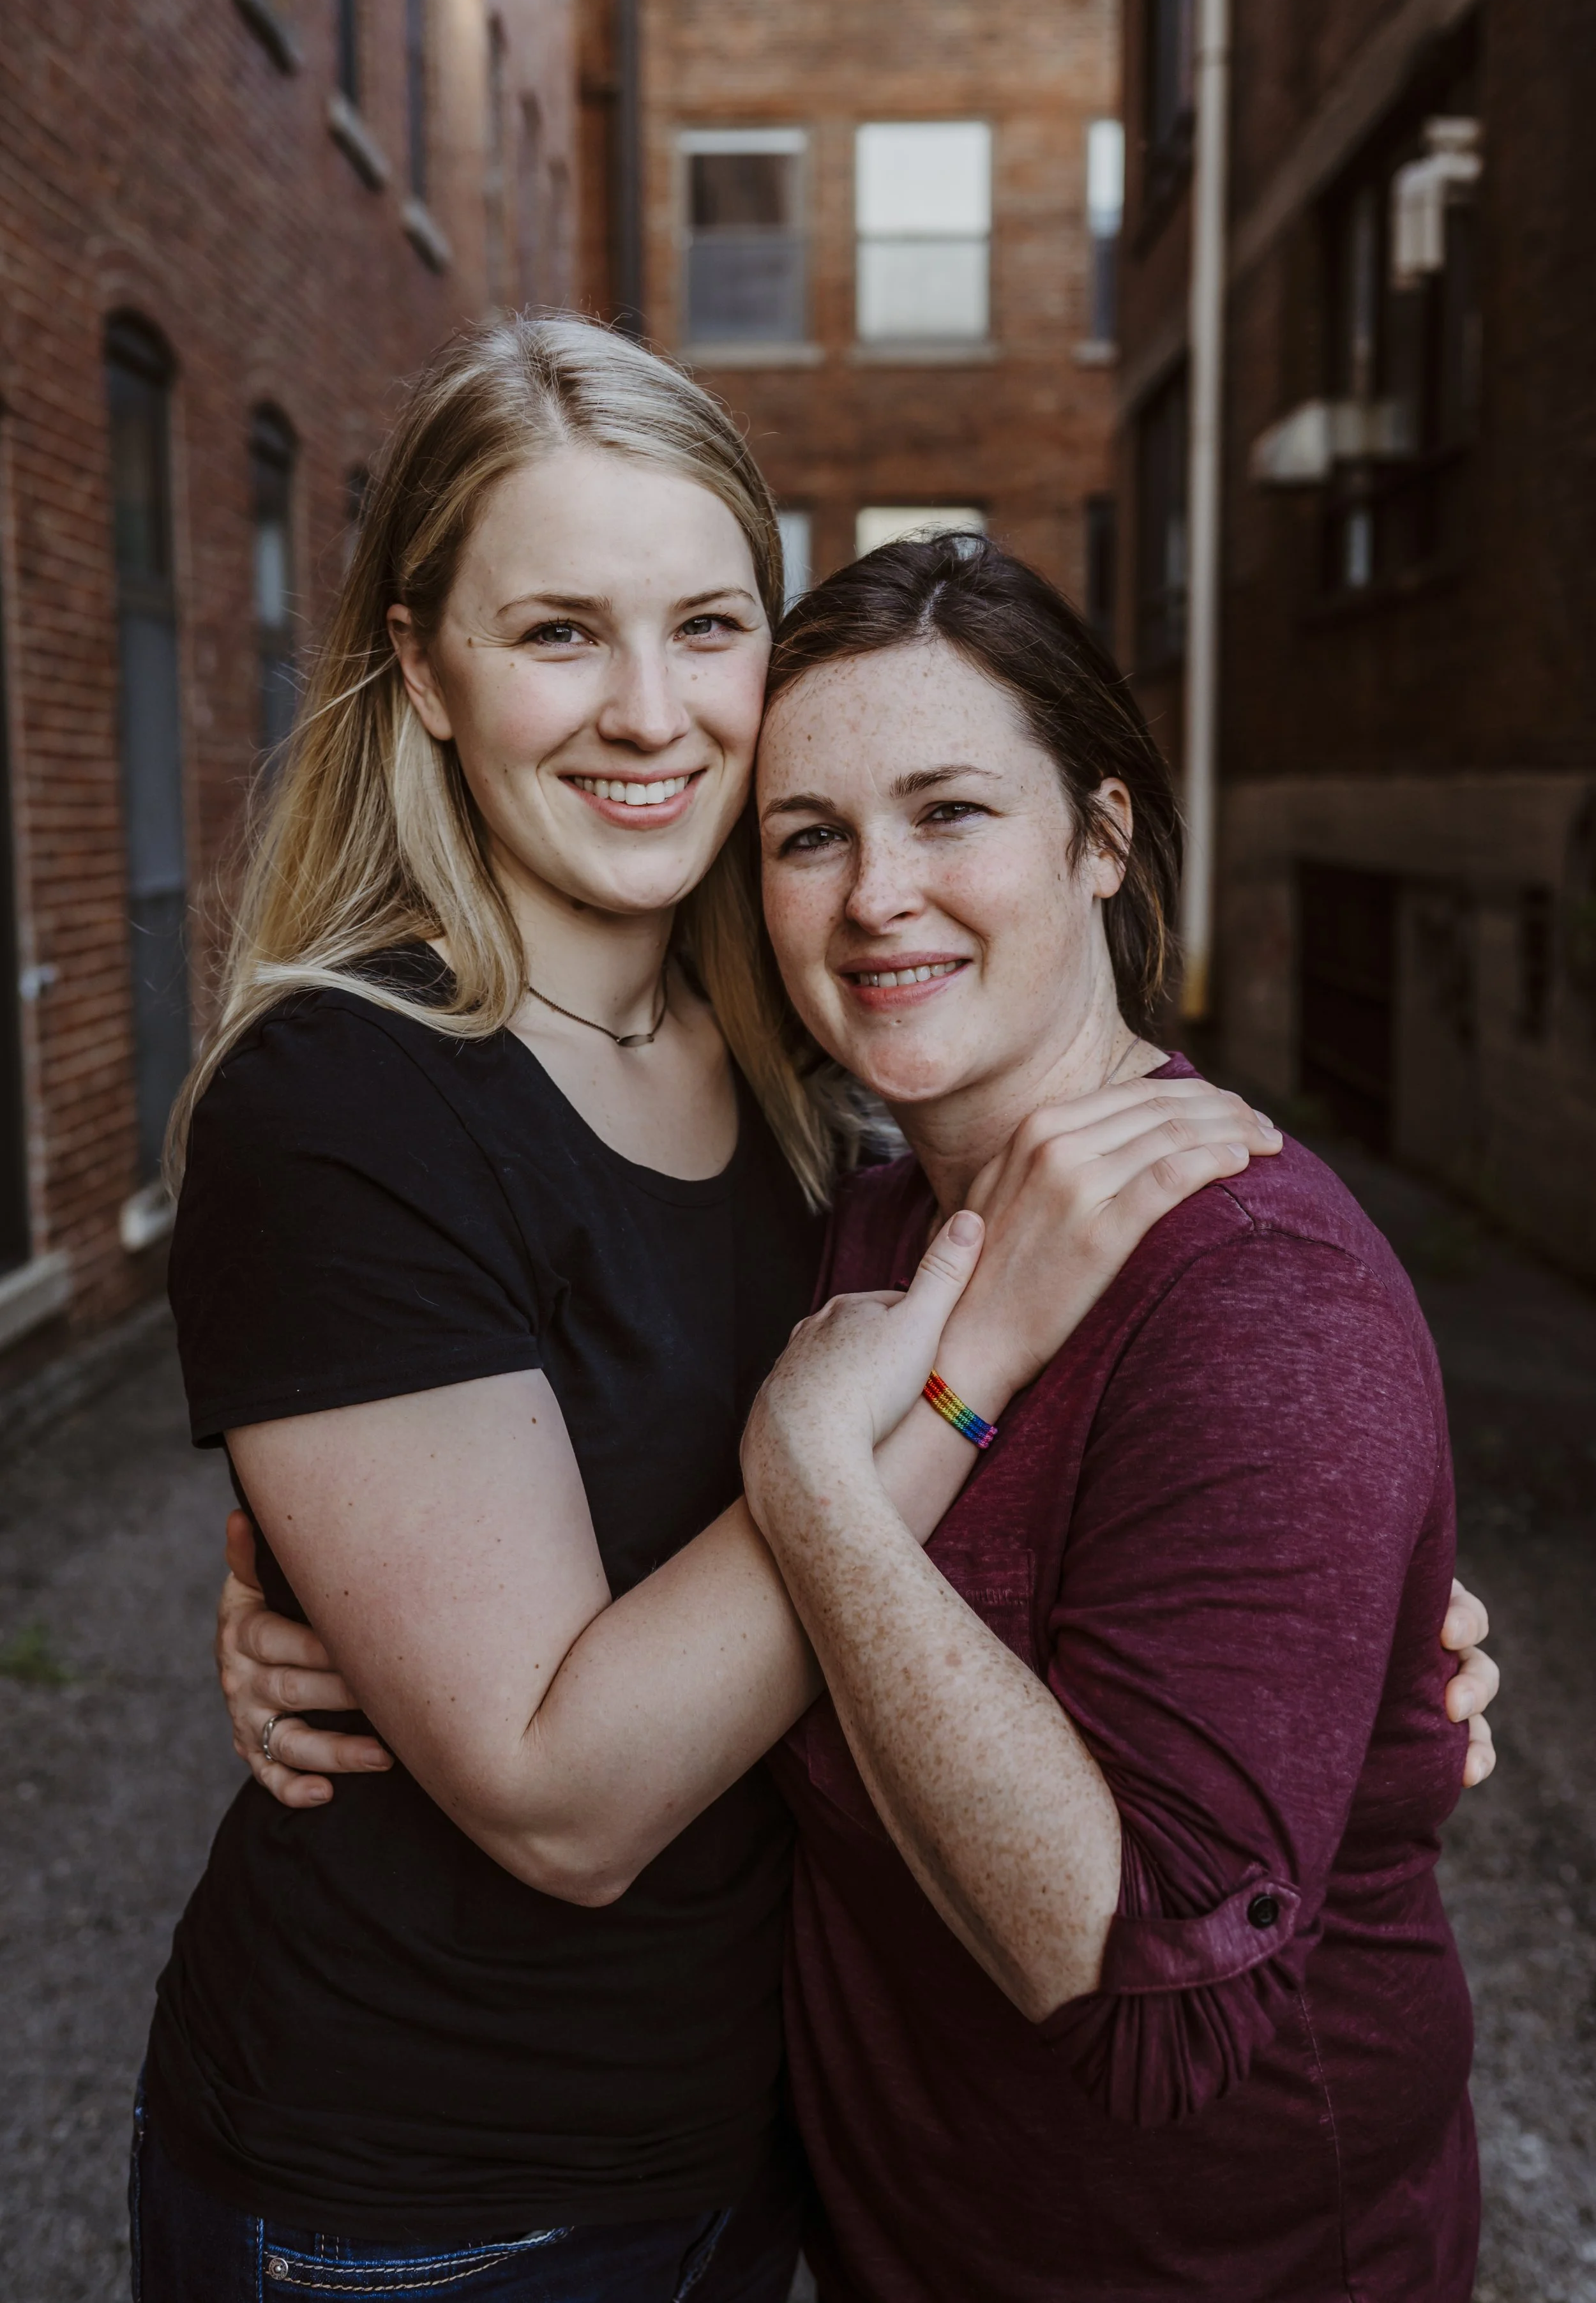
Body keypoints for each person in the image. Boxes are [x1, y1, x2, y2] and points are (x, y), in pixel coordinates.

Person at [139, 318, 1295, 2303]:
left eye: (706, 626)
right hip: (421, 2205)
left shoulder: (805, 1068)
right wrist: (957, 1371)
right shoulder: (343, 1099)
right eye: (558, 633)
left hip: (753, 2149)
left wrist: (1324, 1623)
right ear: (423, 666)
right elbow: (558, 1799)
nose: (651, 711)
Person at [733, 532, 1490, 2299]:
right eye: (809, 834)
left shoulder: (1259, 1296)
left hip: (1222, 2264)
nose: (876, 895)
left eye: (949, 812)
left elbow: (1153, 1996)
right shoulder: (842, 1230)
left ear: (1099, 837)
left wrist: (815, 1489)